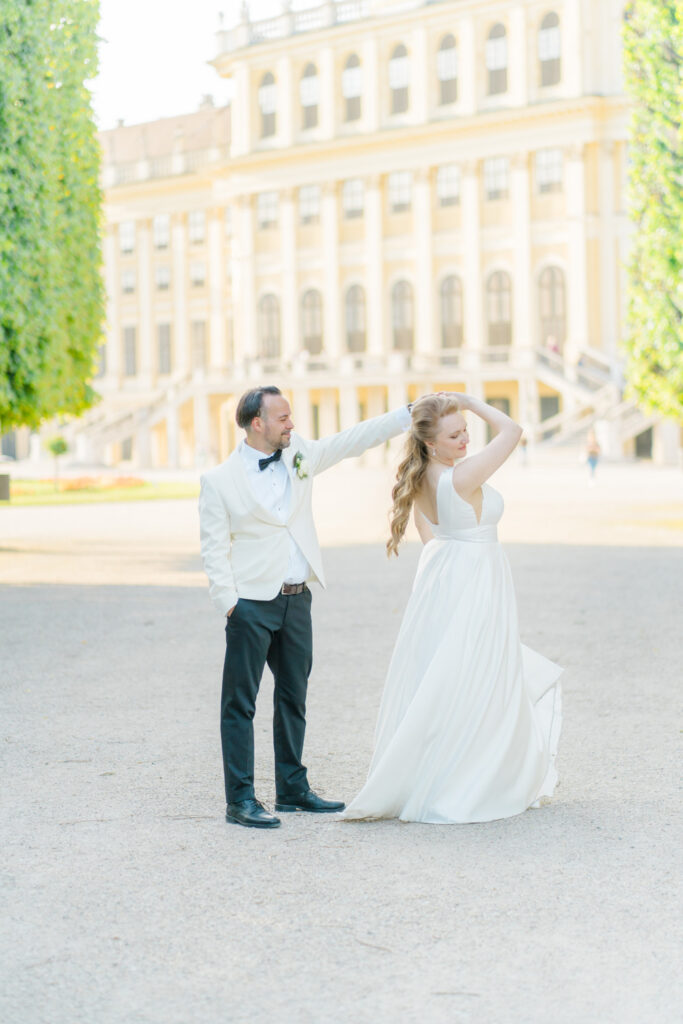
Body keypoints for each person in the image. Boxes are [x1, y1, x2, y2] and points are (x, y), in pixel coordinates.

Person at [199, 386, 412, 829]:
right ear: (257, 423)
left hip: (298, 600)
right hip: (251, 606)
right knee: (240, 705)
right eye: (282, 418)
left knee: (294, 698)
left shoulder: (301, 454)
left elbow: (353, 439)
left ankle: (292, 790)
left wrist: (407, 415)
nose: (291, 424)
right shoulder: (218, 482)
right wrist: (229, 605)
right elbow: (213, 548)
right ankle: (240, 800)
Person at [343, 393, 562, 824]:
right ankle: (472, 778)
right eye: (455, 434)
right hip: (477, 579)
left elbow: (434, 538)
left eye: (466, 431)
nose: (465, 439)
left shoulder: (423, 474)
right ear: (430, 442)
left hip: (453, 577)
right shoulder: (460, 477)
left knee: (458, 673)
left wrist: (454, 574)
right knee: (478, 673)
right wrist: (472, 402)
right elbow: (514, 431)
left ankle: (453, 768)